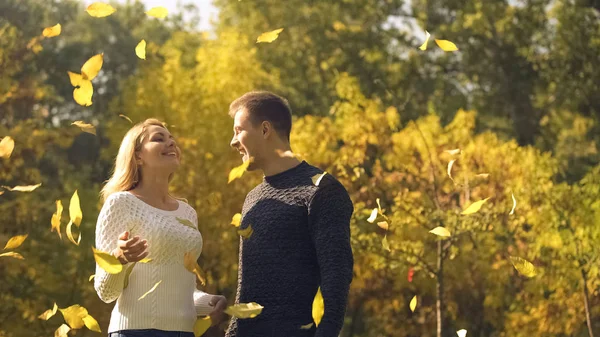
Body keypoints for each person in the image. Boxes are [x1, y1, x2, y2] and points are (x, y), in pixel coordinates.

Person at [225, 92, 354, 337]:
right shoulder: (253, 197)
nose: (233, 142)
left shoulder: (321, 189)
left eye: (238, 130)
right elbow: (246, 285)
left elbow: (337, 272)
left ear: (265, 130)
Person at [94, 118, 227, 337]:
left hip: (183, 332)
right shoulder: (121, 203)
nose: (171, 143)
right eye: (159, 138)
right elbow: (106, 292)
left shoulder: (187, 213)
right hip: (135, 331)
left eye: (172, 139)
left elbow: (182, 288)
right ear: (138, 156)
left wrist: (209, 302)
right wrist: (119, 257)